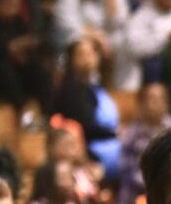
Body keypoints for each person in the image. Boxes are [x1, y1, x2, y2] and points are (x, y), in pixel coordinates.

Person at [52, 0, 133, 90]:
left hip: (107, 40)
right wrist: (93, 35)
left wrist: (111, 5)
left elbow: (121, 24)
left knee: (125, 45)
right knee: (85, 49)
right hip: (80, 37)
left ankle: (121, 90)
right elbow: (65, 21)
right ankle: (86, 89)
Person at [52, 37, 121, 181]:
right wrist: (114, 132)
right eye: (81, 54)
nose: (87, 59)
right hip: (91, 151)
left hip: (111, 145)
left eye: (91, 54)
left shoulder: (96, 87)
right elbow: (84, 126)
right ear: (71, 60)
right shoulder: (72, 89)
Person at [118, 82, 171, 204]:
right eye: (150, 99)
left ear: (167, 103)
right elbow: (126, 170)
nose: (154, 104)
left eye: (159, 99)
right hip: (136, 194)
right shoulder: (131, 133)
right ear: (141, 104)